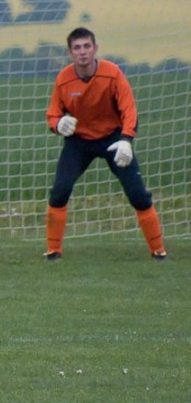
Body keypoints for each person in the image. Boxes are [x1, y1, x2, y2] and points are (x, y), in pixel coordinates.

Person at [43, 27, 167, 262]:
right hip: (79, 142)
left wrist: (126, 139)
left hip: (113, 140)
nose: (83, 52)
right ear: (70, 52)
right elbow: (52, 114)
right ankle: (53, 251)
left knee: (138, 194)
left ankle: (158, 250)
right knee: (59, 191)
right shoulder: (63, 79)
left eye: (87, 46)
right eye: (77, 48)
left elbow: (129, 109)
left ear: (95, 48)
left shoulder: (113, 74)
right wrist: (59, 124)